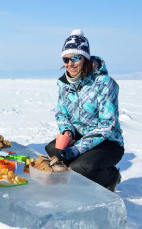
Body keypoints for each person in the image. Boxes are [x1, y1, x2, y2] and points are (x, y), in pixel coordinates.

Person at [45, 29, 124, 192]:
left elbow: (107, 125)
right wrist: (68, 132)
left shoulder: (104, 83)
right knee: (52, 151)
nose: (70, 64)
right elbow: (61, 113)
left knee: (78, 168)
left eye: (75, 57)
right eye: (66, 59)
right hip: (79, 137)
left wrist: (77, 149)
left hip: (108, 142)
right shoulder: (64, 84)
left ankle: (111, 177)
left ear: (85, 58)